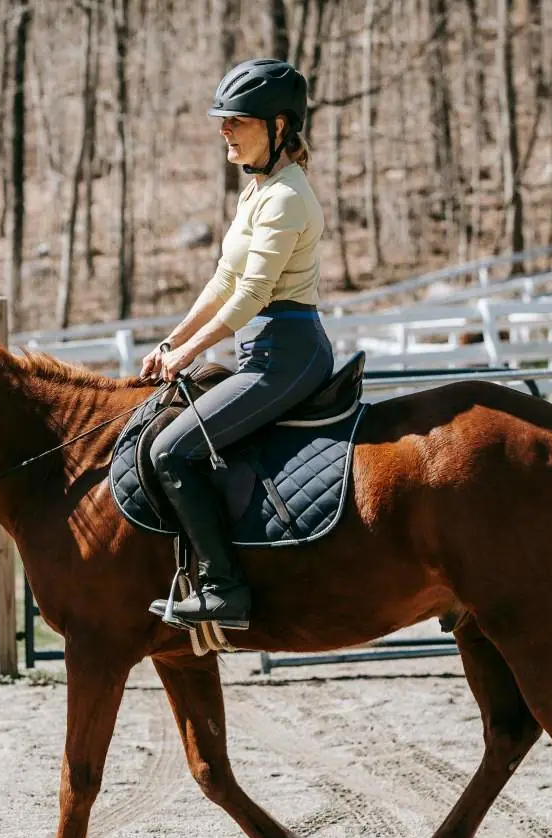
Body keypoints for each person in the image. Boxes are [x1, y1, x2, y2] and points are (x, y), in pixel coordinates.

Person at [139, 58, 333, 631]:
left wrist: (190, 353)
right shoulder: (258, 191)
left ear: (278, 127)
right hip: (262, 348)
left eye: (236, 121)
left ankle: (226, 589)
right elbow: (224, 279)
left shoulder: (285, 198)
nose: (224, 129)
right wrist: (172, 341)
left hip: (286, 353)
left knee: (171, 451)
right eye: (222, 119)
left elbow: (252, 294)